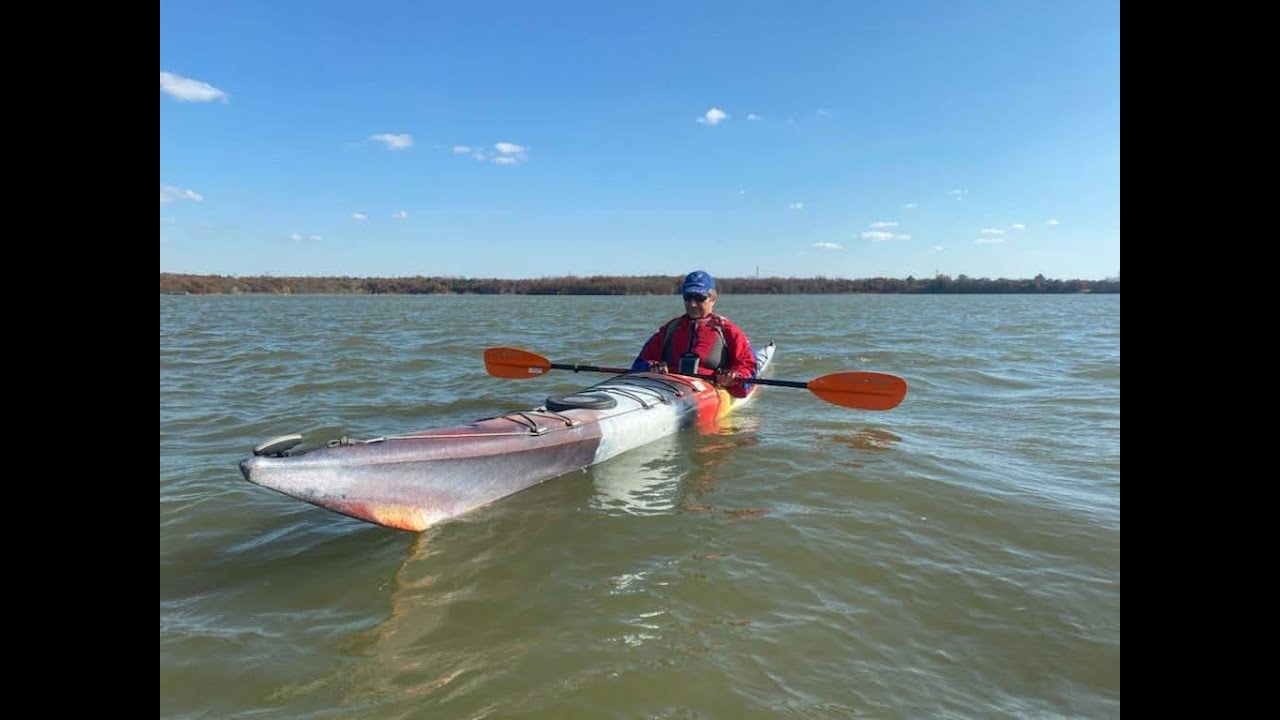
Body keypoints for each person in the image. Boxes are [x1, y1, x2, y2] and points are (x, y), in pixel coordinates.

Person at [631, 270, 758, 398]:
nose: (692, 304)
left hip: (707, 390)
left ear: (712, 299)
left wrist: (734, 377)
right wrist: (651, 366)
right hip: (669, 388)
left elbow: (749, 370)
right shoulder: (669, 329)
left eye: (699, 298)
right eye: (688, 298)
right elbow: (639, 364)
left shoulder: (728, 330)